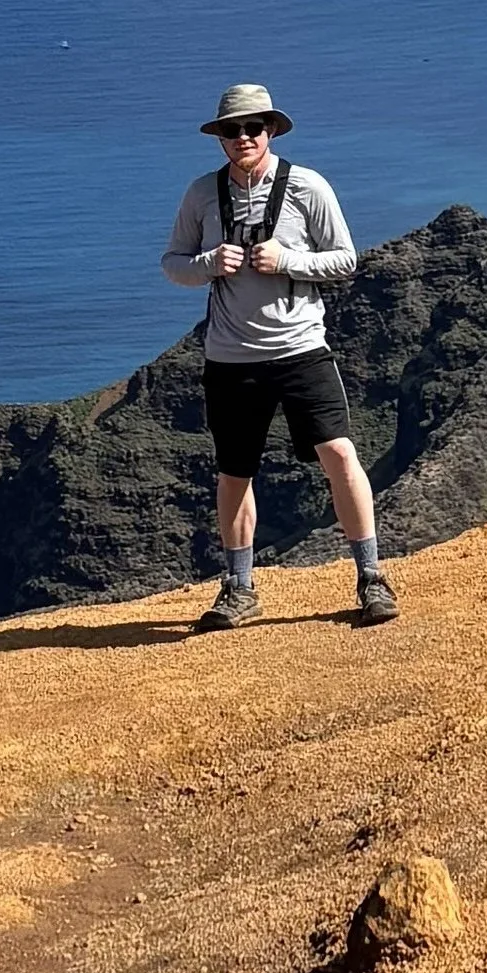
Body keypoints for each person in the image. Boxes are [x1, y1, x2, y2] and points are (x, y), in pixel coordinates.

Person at [161, 82, 398, 632]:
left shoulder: (307, 186)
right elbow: (172, 263)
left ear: (271, 130)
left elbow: (344, 260)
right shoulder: (201, 194)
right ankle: (239, 589)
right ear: (219, 137)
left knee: (339, 454)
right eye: (231, 129)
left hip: (300, 351)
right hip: (230, 359)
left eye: (253, 127)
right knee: (234, 472)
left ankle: (371, 577)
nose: (243, 137)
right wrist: (207, 262)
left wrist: (288, 259)